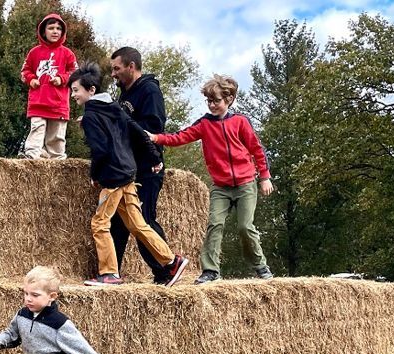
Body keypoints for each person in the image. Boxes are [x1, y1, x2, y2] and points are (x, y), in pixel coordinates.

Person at [68, 63, 188, 286]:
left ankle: (109, 273)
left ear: (91, 90)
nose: (73, 95)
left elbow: (100, 150)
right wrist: (155, 158)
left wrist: (94, 174)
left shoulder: (92, 116)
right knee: (137, 224)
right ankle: (171, 261)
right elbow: (139, 132)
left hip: (113, 177)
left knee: (100, 223)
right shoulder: (114, 108)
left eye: (76, 90)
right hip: (129, 173)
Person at [147, 74, 274, 284]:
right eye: (209, 101)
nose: (212, 105)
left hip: (245, 184)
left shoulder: (240, 121)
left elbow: (257, 150)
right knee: (214, 224)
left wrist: (265, 177)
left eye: (216, 101)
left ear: (229, 100)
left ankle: (260, 267)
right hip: (221, 186)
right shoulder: (205, 124)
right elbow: (181, 136)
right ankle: (210, 271)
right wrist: (156, 137)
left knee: (245, 227)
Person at [109, 47, 173, 283]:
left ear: (131, 67)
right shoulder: (124, 94)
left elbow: (153, 128)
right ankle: (110, 272)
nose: (113, 74)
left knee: (142, 220)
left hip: (147, 167)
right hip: (127, 168)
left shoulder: (149, 90)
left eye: (117, 68)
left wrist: (153, 159)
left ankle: (166, 269)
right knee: (118, 221)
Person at [20, 13, 77, 160]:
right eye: (51, 28)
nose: (55, 31)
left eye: (58, 28)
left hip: (58, 104)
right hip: (38, 101)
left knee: (56, 136)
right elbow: (25, 71)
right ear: (43, 31)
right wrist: (31, 79)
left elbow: (75, 73)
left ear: (63, 32)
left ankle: (57, 160)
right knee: (37, 130)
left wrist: (61, 78)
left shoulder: (67, 54)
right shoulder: (34, 52)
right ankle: (32, 157)